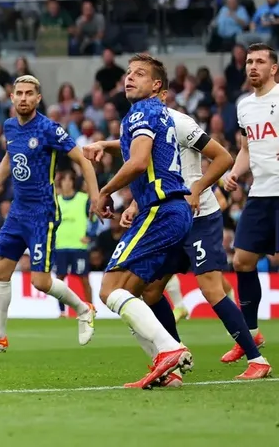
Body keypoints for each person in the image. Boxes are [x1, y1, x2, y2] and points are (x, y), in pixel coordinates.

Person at [110, 96, 270, 383]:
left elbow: (223, 157)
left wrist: (197, 187)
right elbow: (149, 170)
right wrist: (134, 205)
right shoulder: (145, 124)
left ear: (160, 91)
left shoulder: (179, 121)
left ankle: (257, 360)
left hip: (200, 218)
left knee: (211, 289)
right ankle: (172, 358)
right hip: (170, 218)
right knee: (151, 291)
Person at [0, 75, 100, 358]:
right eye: (19, 93)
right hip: (17, 211)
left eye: (29, 93)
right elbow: (9, 156)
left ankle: (83, 308)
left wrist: (95, 196)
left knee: (39, 281)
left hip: (42, 213)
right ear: (12, 97)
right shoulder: (10, 127)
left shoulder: (49, 128)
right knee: (0, 271)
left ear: (38, 98)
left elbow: (83, 161)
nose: (24, 98)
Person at [87, 54, 192, 389]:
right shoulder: (156, 113)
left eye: (140, 74)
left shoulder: (143, 110)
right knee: (134, 292)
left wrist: (105, 191)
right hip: (172, 211)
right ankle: (169, 370)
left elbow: (139, 160)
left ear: (156, 85)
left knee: (109, 289)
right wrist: (108, 143)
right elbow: (140, 148)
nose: (129, 78)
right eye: (128, 73)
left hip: (160, 210)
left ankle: (169, 351)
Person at [221, 43, 279, 364]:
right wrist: (234, 173)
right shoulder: (244, 106)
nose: (252, 66)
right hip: (260, 194)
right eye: (248, 62)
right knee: (242, 261)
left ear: (274, 68)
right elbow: (247, 148)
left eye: (259, 61)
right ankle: (251, 334)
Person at [52, 171, 93, 315]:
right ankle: (62, 312)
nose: (67, 183)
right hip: (60, 245)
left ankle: (90, 308)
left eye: (70, 180)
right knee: (59, 280)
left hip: (78, 246)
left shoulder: (83, 199)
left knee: (84, 279)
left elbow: (93, 218)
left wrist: (90, 235)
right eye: (64, 180)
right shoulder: (56, 200)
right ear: (60, 183)